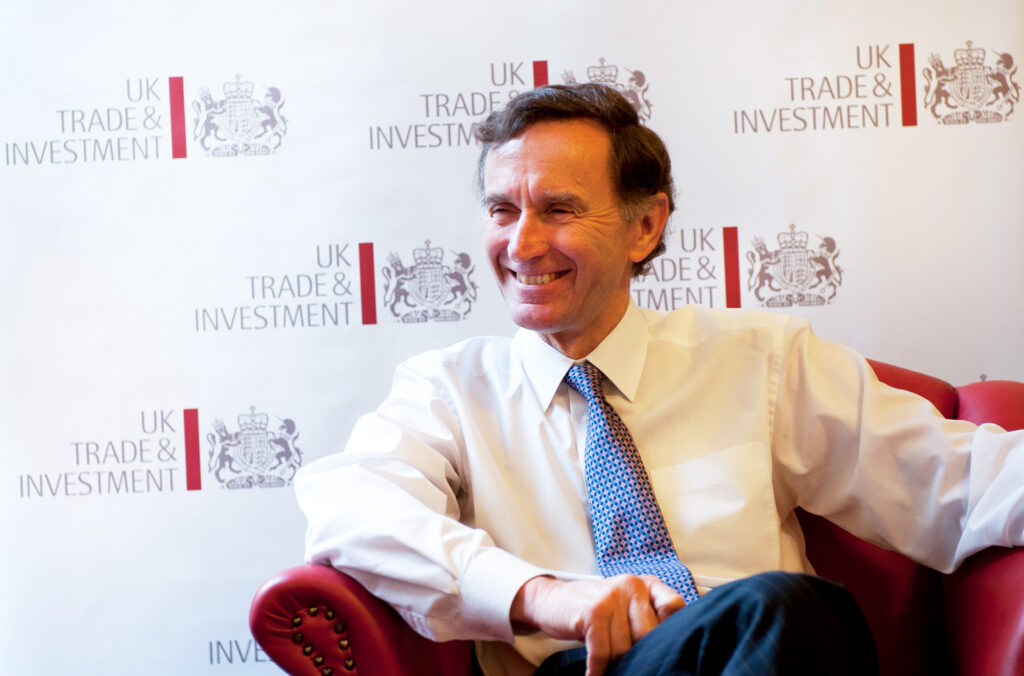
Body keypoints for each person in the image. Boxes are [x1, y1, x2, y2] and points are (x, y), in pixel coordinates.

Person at [295, 83, 1024, 676]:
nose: (522, 243)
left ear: (644, 227)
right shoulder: (449, 390)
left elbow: (961, 483)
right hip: (575, 666)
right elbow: (350, 510)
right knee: (780, 610)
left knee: (785, 612)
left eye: (558, 210)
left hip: (763, 647)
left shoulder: (761, 359)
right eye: (502, 210)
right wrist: (543, 596)